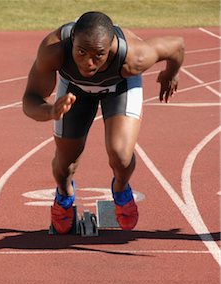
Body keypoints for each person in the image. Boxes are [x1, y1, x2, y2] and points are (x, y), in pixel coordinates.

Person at [22, 11, 184, 234]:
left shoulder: (133, 57)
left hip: (120, 85)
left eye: (98, 55)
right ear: (72, 42)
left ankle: (121, 190)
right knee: (65, 162)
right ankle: (64, 194)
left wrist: (171, 73)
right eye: (81, 52)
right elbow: (30, 100)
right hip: (74, 89)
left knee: (120, 155)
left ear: (110, 48)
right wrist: (51, 110)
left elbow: (176, 46)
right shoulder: (54, 50)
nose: (88, 63)